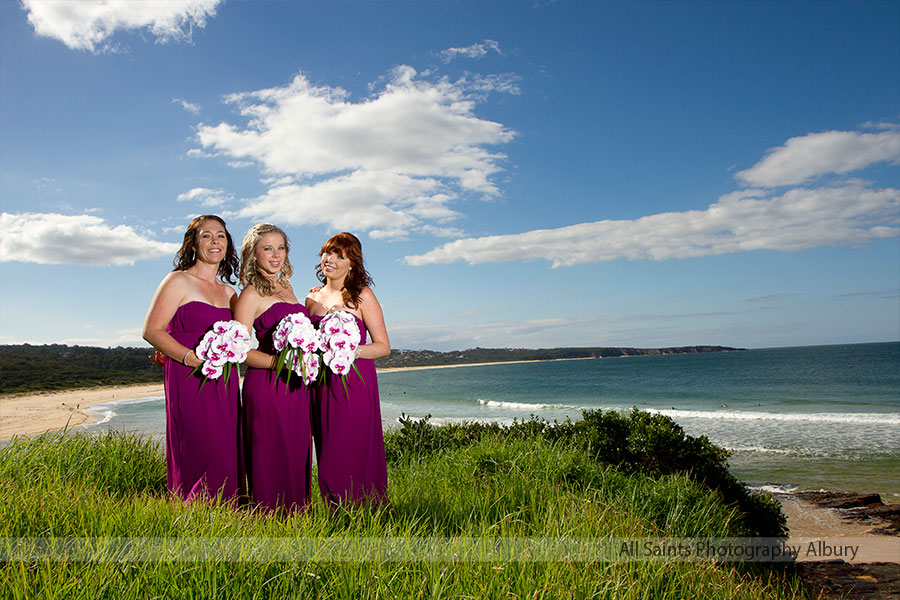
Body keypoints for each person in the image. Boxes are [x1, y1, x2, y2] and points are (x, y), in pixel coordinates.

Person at [142, 215, 241, 502]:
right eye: (207, 235)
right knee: (198, 444)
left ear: (227, 244)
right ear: (194, 243)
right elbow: (151, 330)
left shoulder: (229, 292)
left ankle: (228, 513)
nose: (214, 241)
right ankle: (194, 511)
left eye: (220, 235)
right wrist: (189, 358)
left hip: (224, 379)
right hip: (188, 377)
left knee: (225, 444)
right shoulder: (178, 280)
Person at [234, 224, 313, 513]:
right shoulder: (250, 294)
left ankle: (297, 515)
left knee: (296, 449)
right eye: (268, 248)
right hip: (267, 385)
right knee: (270, 451)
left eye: (280, 247)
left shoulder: (289, 287)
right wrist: (280, 364)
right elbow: (240, 350)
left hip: (297, 386)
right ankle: (268, 517)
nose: (275, 254)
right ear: (254, 254)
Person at [307, 232, 390, 505]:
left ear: (352, 263)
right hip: (321, 382)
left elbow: (383, 347)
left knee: (351, 445)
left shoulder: (362, 295)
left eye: (339, 255)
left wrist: (346, 352)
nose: (329, 259)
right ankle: (335, 510)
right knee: (328, 448)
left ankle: (367, 509)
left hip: (355, 382)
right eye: (327, 252)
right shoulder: (311, 299)